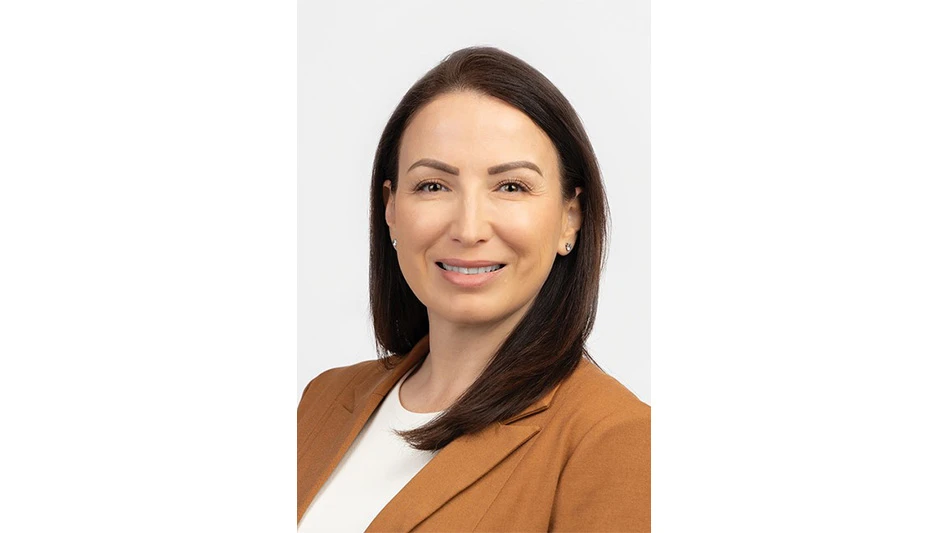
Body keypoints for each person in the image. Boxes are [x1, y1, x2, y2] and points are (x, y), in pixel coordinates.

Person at [298, 46, 650, 532]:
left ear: (571, 217)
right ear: (391, 208)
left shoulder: (617, 440)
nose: (468, 228)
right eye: (433, 186)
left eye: (511, 187)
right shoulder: (320, 401)